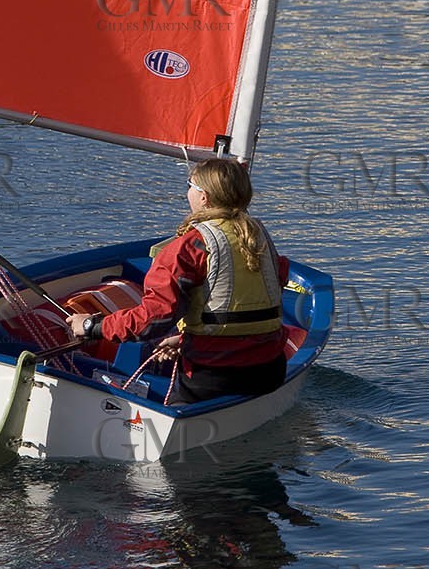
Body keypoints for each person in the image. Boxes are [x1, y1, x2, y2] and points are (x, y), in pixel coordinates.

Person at [65, 158, 289, 404]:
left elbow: (153, 320)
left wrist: (92, 327)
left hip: (213, 377)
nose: (188, 192)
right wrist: (184, 340)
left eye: (190, 185)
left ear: (204, 197)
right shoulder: (258, 235)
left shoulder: (189, 247)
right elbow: (252, 298)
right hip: (270, 371)